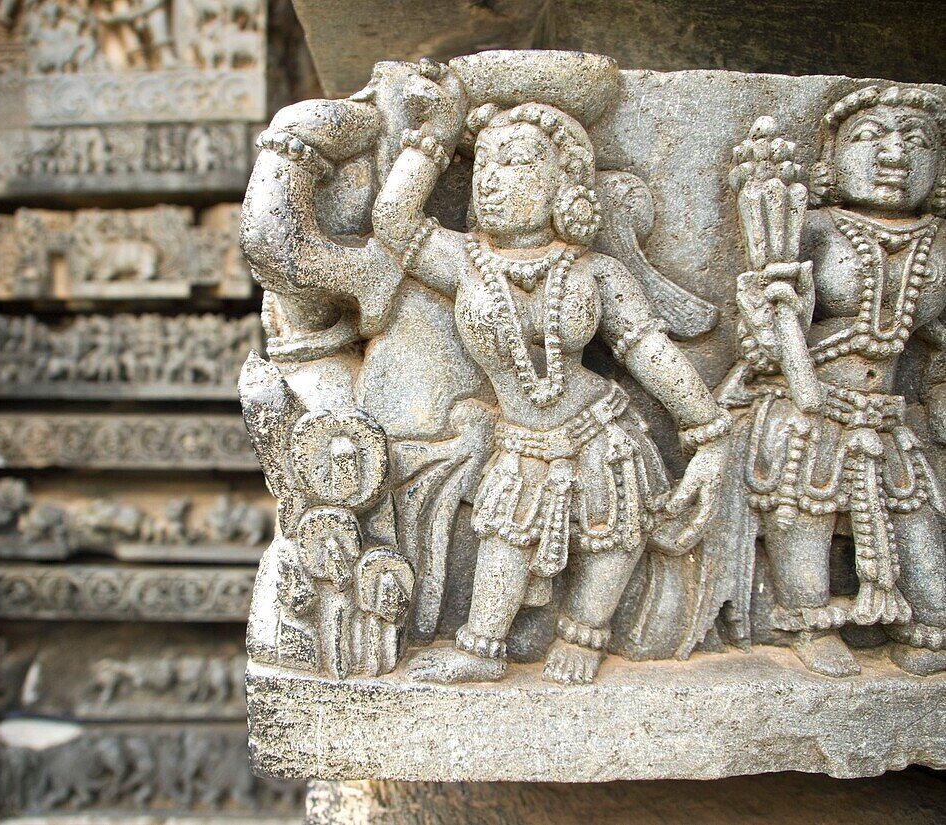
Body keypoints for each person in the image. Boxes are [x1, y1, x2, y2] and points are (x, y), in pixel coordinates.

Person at [371, 64, 732, 684]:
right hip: (521, 440)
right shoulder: (466, 263)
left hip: (601, 431)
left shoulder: (596, 273)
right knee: (503, 540)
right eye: (485, 165)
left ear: (566, 185)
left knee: (612, 535)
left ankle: (587, 634)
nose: (492, 180)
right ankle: (481, 647)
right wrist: (437, 132)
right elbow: (395, 223)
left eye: (517, 164)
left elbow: (648, 351)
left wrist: (707, 431)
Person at [724, 85, 946, 676]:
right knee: (804, 521)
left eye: (917, 142)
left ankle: (927, 628)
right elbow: (762, 346)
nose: (895, 156)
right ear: (828, 159)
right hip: (807, 414)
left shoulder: (938, 243)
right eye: (870, 138)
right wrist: (774, 311)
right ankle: (808, 621)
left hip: (887, 418)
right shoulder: (817, 230)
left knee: (925, 554)